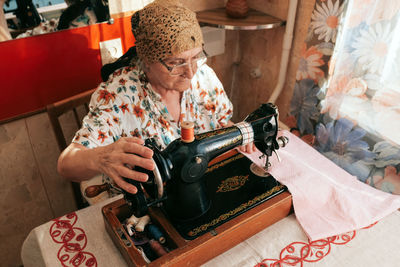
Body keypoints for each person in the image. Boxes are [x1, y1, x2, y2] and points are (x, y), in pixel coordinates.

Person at [57, 0, 254, 199]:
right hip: (145, 200)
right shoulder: (119, 95)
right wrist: (98, 158)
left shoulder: (204, 76)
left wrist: (240, 137)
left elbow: (221, 122)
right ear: (148, 61)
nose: (190, 72)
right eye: (176, 63)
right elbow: (65, 165)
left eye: (195, 57)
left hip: (198, 187)